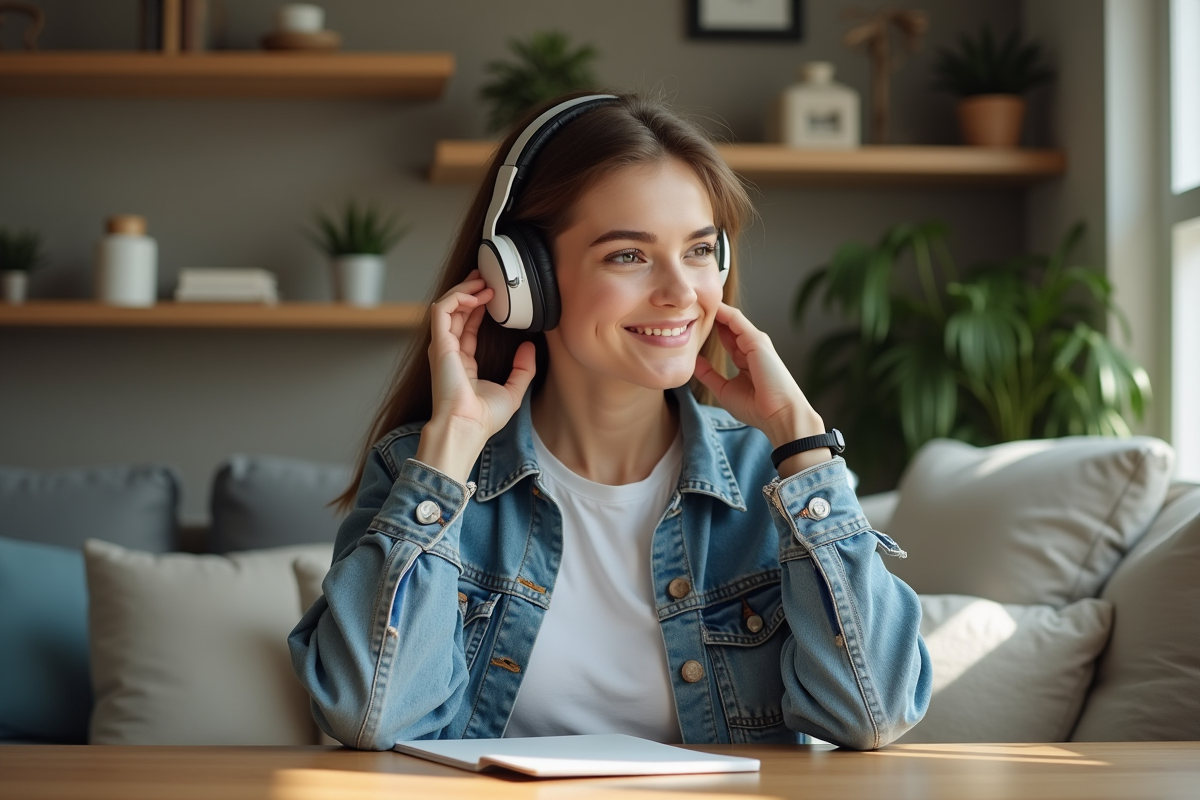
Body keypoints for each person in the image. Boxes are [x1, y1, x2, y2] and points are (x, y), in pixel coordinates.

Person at [288, 93, 931, 751]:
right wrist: (451, 444)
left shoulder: (773, 477)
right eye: (629, 255)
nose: (682, 293)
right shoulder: (422, 470)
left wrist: (802, 439)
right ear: (524, 278)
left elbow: (871, 715)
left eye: (701, 250)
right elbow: (368, 717)